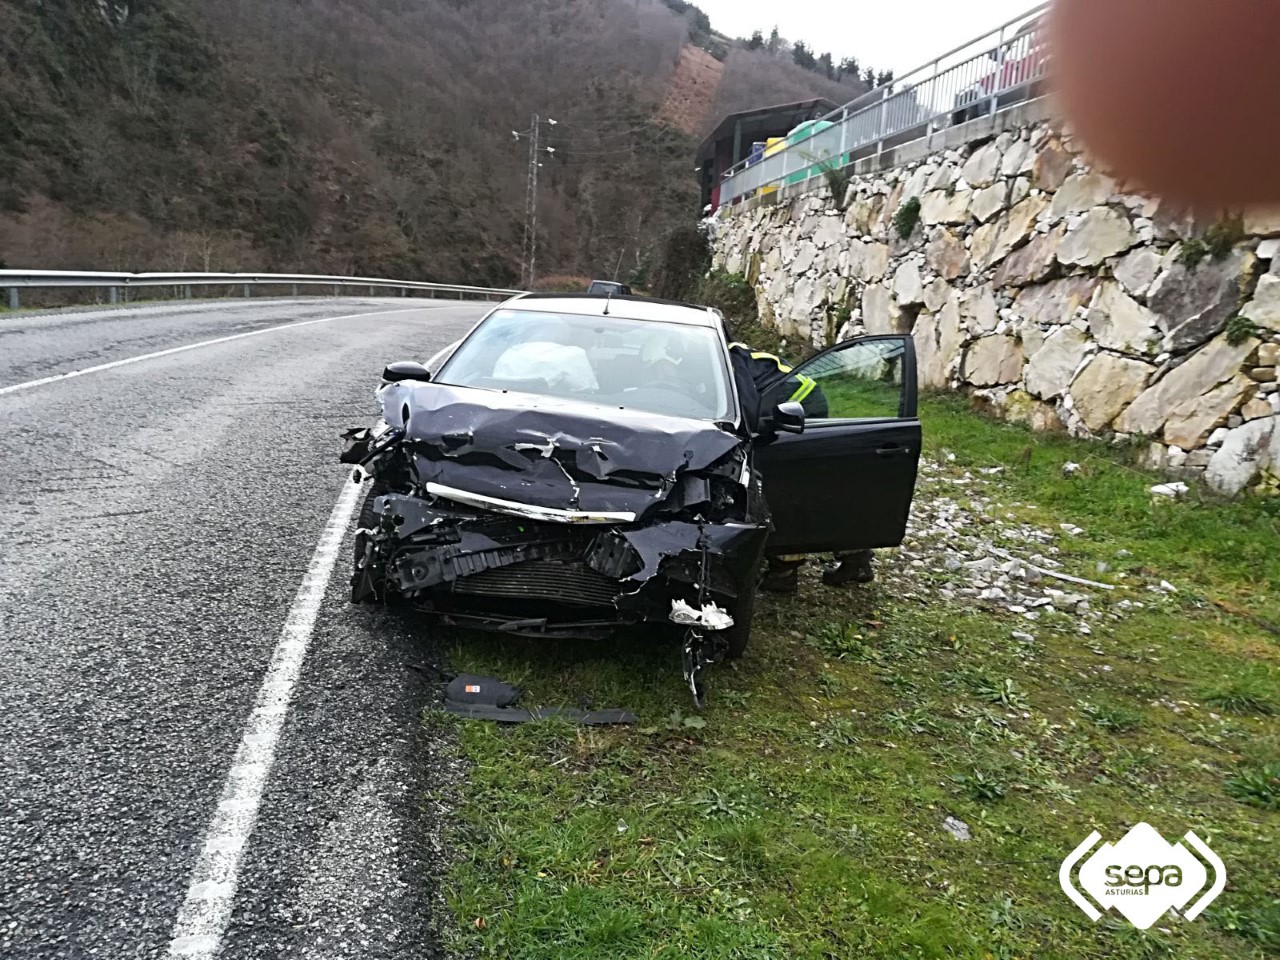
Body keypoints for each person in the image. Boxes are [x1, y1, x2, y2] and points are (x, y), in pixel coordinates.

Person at [726, 339, 874, 595]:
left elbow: (745, 411)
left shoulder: (731, 361)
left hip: (802, 407)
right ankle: (856, 558)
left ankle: (784, 573)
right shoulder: (725, 354)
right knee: (811, 488)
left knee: (787, 490)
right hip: (789, 403)